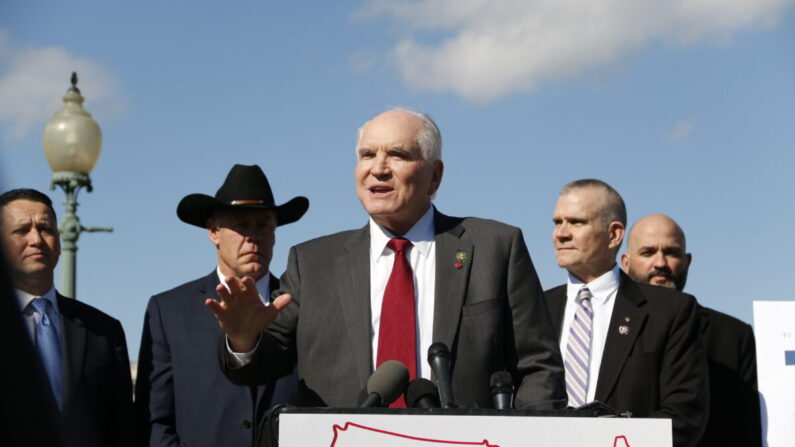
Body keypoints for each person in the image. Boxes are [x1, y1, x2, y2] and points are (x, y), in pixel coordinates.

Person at [210, 108, 566, 409]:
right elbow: (262, 366)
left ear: (435, 176)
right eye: (367, 155)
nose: (378, 168)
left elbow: (539, 369)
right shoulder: (312, 262)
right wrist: (243, 340)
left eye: (398, 155)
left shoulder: (495, 247)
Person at [135, 164, 306, 446]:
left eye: (263, 224)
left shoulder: (302, 303)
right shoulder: (168, 312)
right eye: (241, 225)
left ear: (275, 232)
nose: (253, 236)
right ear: (213, 231)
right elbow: (154, 418)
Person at [544, 179, 708, 447]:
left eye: (576, 222)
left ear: (614, 234)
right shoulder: (534, 309)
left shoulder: (670, 312)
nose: (561, 234)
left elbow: (684, 415)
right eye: (557, 222)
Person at [0, 188, 135, 447]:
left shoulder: (104, 331)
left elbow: (123, 428)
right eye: (21, 231)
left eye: (46, 229)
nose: (36, 239)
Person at [621, 213, 761, 447]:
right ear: (625, 262)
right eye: (647, 252)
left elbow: (746, 430)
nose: (660, 263)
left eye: (671, 252)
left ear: (687, 261)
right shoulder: (601, 328)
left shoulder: (733, 336)